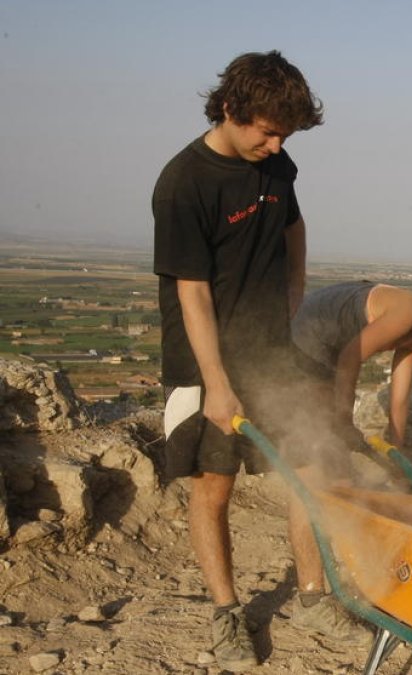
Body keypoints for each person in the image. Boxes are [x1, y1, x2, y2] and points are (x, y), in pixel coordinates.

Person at [153, 51, 357, 672]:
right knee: (214, 489)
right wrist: (216, 385)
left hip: (273, 351)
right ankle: (226, 614)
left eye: (285, 135)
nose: (275, 146)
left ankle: (314, 597)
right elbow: (192, 292)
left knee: (310, 471)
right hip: (205, 360)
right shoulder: (185, 182)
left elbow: (293, 223)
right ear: (231, 109)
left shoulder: (278, 164)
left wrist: (296, 286)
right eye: (267, 131)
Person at [289, 261, 412, 463]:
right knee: (324, 416)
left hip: (332, 339)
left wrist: (398, 455)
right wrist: (345, 419)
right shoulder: (407, 313)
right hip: (310, 325)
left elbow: (400, 400)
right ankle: (307, 474)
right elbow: (350, 359)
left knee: (332, 424)